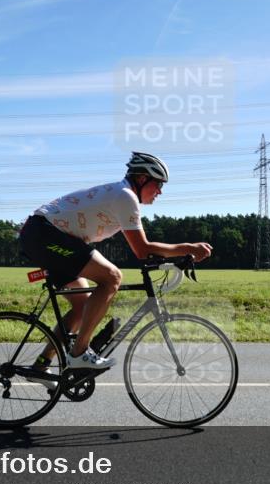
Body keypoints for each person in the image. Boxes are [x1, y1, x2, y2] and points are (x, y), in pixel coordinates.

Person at [18, 152, 213, 377]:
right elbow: (142, 249)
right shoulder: (125, 196)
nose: (160, 191)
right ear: (142, 179)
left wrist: (174, 257)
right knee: (112, 277)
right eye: (158, 184)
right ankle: (80, 353)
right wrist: (188, 248)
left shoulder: (122, 196)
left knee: (83, 308)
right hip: (45, 235)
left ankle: (41, 366)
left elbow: (144, 250)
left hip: (43, 235)